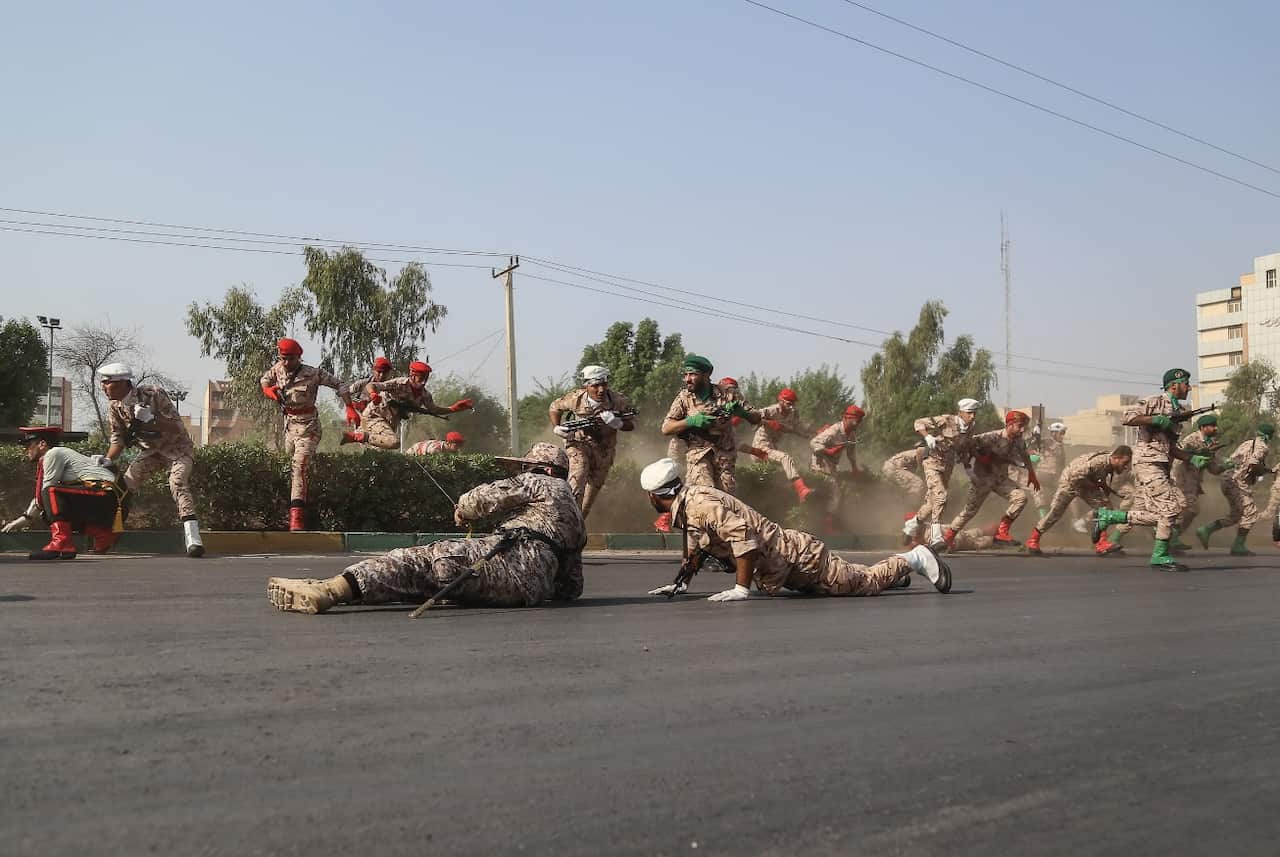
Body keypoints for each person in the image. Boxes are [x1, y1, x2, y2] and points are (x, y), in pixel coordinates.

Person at [268, 443, 586, 614]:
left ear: (541, 469)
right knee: (424, 581)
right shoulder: (576, 514)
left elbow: (478, 501)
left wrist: (463, 510)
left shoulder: (537, 481)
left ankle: (330, 591)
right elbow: (571, 587)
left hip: (502, 564)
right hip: (526, 594)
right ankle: (346, 586)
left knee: (415, 563)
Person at [639, 458, 951, 600]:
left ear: (655, 496)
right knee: (855, 578)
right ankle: (896, 575)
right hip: (786, 566)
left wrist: (740, 589)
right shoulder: (689, 503)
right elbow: (697, 548)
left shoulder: (699, 505)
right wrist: (680, 584)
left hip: (800, 560)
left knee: (865, 583)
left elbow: (743, 539)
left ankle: (916, 558)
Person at [1090, 369, 1201, 571]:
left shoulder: (1178, 410)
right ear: (1174, 385)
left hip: (1162, 464)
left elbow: (1172, 447)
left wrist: (1192, 457)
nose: (1189, 388)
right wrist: (1154, 419)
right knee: (1170, 508)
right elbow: (1128, 417)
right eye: (1186, 384)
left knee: (1158, 512)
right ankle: (1159, 556)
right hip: (1147, 462)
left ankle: (1109, 517)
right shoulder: (1155, 401)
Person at [98, 363, 204, 558]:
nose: (103, 387)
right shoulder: (115, 407)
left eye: (107, 383)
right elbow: (118, 438)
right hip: (151, 452)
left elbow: (177, 427)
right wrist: (106, 459)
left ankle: (193, 539)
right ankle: (110, 535)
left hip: (177, 449)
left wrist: (152, 418)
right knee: (123, 488)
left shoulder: (153, 394)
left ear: (122, 383)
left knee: (177, 482)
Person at [260, 338, 356, 531]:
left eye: (291, 359)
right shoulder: (278, 368)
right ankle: (296, 504)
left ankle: (297, 517)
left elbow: (340, 384)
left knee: (299, 466)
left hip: (308, 428)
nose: (286, 363)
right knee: (285, 464)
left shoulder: (313, 373)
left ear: (299, 357)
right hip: (288, 427)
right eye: (283, 358)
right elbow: (264, 380)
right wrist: (269, 391)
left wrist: (349, 407)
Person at [3, 426, 124, 560]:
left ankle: (61, 543)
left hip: (105, 495)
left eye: (29, 445)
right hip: (110, 499)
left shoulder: (53, 453)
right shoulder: (60, 455)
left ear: (42, 444)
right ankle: (103, 535)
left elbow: (45, 492)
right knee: (51, 507)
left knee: (51, 492)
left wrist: (25, 519)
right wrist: (23, 519)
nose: (26, 450)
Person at [660, 354, 760, 496]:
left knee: (726, 501)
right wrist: (690, 421)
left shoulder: (728, 394)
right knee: (703, 496)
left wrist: (743, 413)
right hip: (698, 456)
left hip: (724, 459)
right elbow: (666, 428)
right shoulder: (684, 397)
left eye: (693, 374)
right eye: (686, 374)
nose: (687, 379)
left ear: (706, 375)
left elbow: (756, 418)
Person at [549, 364, 636, 519]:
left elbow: (632, 424)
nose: (601, 390)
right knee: (578, 477)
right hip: (578, 445)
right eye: (596, 385)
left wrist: (617, 423)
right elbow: (554, 407)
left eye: (604, 384)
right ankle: (568, 519)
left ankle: (578, 524)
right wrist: (557, 427)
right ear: (586, 386)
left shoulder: (618, 400)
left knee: (589, 499)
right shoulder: (576, 398)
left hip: (604, 451)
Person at [941, 410, 1038, 549]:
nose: (1022, 430)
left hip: (1001, 480)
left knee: (1021, 498)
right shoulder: (991, 437)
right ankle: (948, 538)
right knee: (969, 512)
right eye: (1019, 426)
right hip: (982, 479)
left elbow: (1025, 456)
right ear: (1009, 425)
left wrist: (1032, 474)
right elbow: (965, 444)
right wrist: (978, 458)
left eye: (1024, 427)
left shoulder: (1019, 441)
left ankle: (1002, 532)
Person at [1025, 447, 1132, 556]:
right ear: (1116, 458)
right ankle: (1033, 540)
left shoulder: (1109, 464)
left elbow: (1101, 482)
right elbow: (1076, 476)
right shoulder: (1099, 462)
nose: (1126, 466)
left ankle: (1101, 543)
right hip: (1070, 482)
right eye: (1125, 462)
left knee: (1105, 508)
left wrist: (1104, 490)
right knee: (1055, 513)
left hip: (1084, 483)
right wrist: (1095, 485)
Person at [343, 361, 472, 450]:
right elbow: (373, 385)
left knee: (381, 451)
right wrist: (373, 394)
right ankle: (358, 436)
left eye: (425, 378)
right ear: (412, 375)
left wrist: (454, 408)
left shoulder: (425, 395)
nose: (423, 381)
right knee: (394, 442)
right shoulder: (399, 383)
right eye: (420, 377)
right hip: (375, 415)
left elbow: (434, 410)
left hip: (389, 422)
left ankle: (358, 437)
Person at [903, 398, 980, 548]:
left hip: (947, 465)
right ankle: (936, 537)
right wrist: (927, 436)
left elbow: (963, 447)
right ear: (961, 412)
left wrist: (968, 468)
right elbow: (918, 423)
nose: (972, 416)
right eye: (969, 413)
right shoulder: (946, 420)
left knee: (932, 503)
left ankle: (911, 525)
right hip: (932, 461)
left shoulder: (971, 427)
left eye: (974, 413)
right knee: (941, 496)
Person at [1196, 423, 1272, 555]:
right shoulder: (1263, 447)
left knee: (1236, 515)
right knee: (1251, 513)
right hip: (1237, 482)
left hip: (1227, 479)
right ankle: (1238, 546)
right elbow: (1253, 464)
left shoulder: (1247, 443)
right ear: (1269, 436)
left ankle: (1206, 530)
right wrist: (1262, 471)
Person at [744, 388, 813, 502]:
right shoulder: (771, 410)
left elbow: (796, 427)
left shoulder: (793, 414)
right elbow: (753, 416)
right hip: (761, 446)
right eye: (789, 403)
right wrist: (769, 423)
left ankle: (791, 499)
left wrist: (810, 433)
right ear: (781, 400)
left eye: (793, 404)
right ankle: (801, 489)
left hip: (773, 447)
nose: (791, 407)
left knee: (778, 476)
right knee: (785, 458)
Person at [1170, 414, 1223, 550]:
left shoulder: (1212, 442)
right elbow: (1179, 455)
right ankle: (1171, 536)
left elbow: (1213, 468)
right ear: (1203, 428)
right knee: (1189, 508)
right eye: (1212, 426)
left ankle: (1171, 537)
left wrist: (1224, 466)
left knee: (1189, 510)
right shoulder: (1191, 439)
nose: (1215, 428)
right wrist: (1199, 453)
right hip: (1181, 477)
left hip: (1193, 481)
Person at [808, 405, 865, 521]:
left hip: (832, 466)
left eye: (859, 421)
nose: (858, 424)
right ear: (847, 418)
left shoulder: (851, 435)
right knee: (835, 492)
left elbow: (851, 454)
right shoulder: (834, 430)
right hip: (820, 463)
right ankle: (828, 523)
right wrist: (827, 451)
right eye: (856, 420)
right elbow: (814, 443)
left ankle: (828, 519)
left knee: (835, 491)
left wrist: (855, 468)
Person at [1028, 422, 1068, 518]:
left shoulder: (1061, 447)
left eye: (1063, 433)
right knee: (1039, 493)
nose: (1063, 436)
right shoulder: (1046, 442)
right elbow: (1033, 444)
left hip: (1055, 478)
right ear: (1053, 433)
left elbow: (1061, 464)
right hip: (1041, 475)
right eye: (1061, 433)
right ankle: (1043, 519)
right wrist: (1036, 433)